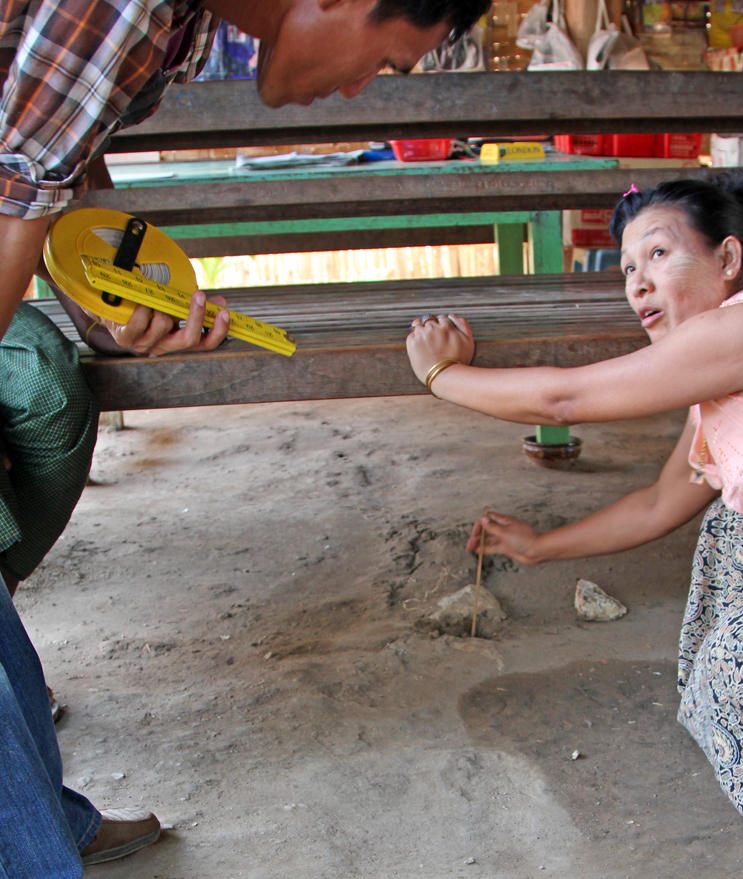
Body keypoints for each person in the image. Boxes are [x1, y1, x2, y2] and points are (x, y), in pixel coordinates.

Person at [0, 0, 489, 872]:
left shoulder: (173, 29)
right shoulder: (128, 5)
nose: (355, 86)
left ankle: (42, 819)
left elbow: (55, 165)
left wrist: (109, 305)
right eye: (383, 57)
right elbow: (15, 194)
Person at [405, 171, 743, 834]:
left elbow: (563, 400)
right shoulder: (714, 393)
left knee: (742, 652)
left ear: (727, 258)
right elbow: (661, 502)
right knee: (729, 529)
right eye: (627, 265)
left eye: (659, 253)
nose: (636, 280)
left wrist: (442, 375)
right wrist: (540, 545)